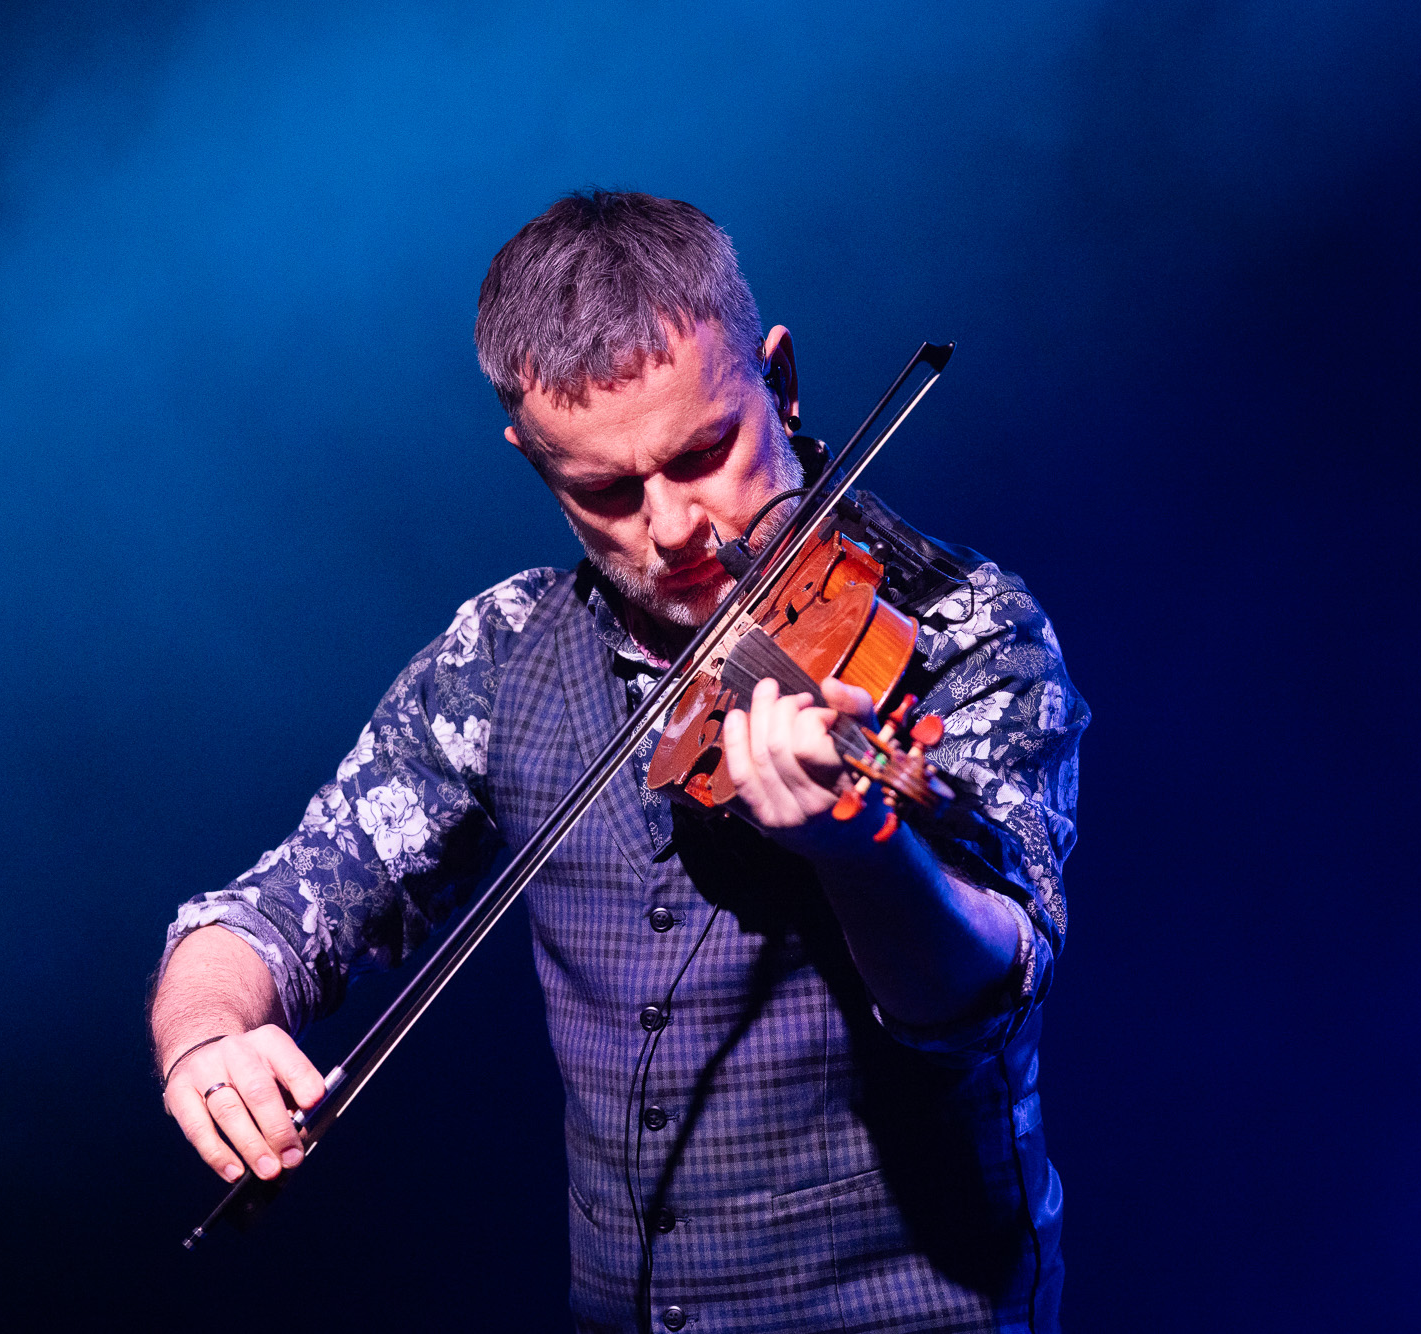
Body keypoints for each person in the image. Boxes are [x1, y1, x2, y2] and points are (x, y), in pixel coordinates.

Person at [149, 190, 1087, 1333]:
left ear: (779, 381)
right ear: (533, 462)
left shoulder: (954, 628)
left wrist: (864, 847)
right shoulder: (499, 652)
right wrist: (206, 1035)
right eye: (605, 489)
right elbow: (272, 908)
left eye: (705, 451)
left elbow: (979, 997)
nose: (673, 525)